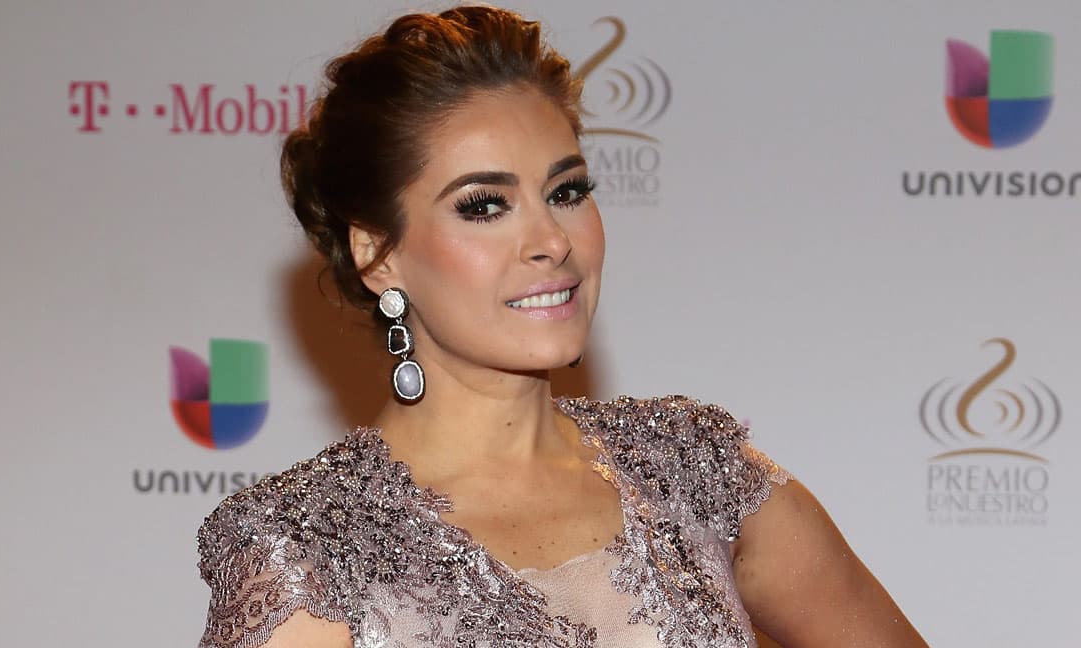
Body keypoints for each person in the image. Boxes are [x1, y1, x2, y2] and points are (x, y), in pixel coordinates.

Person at [195, 6, 928, 648]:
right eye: (484, 206)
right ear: (378, 255)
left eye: (567, 191)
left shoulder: (694, 472)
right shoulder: (310, 550)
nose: (551, 239)